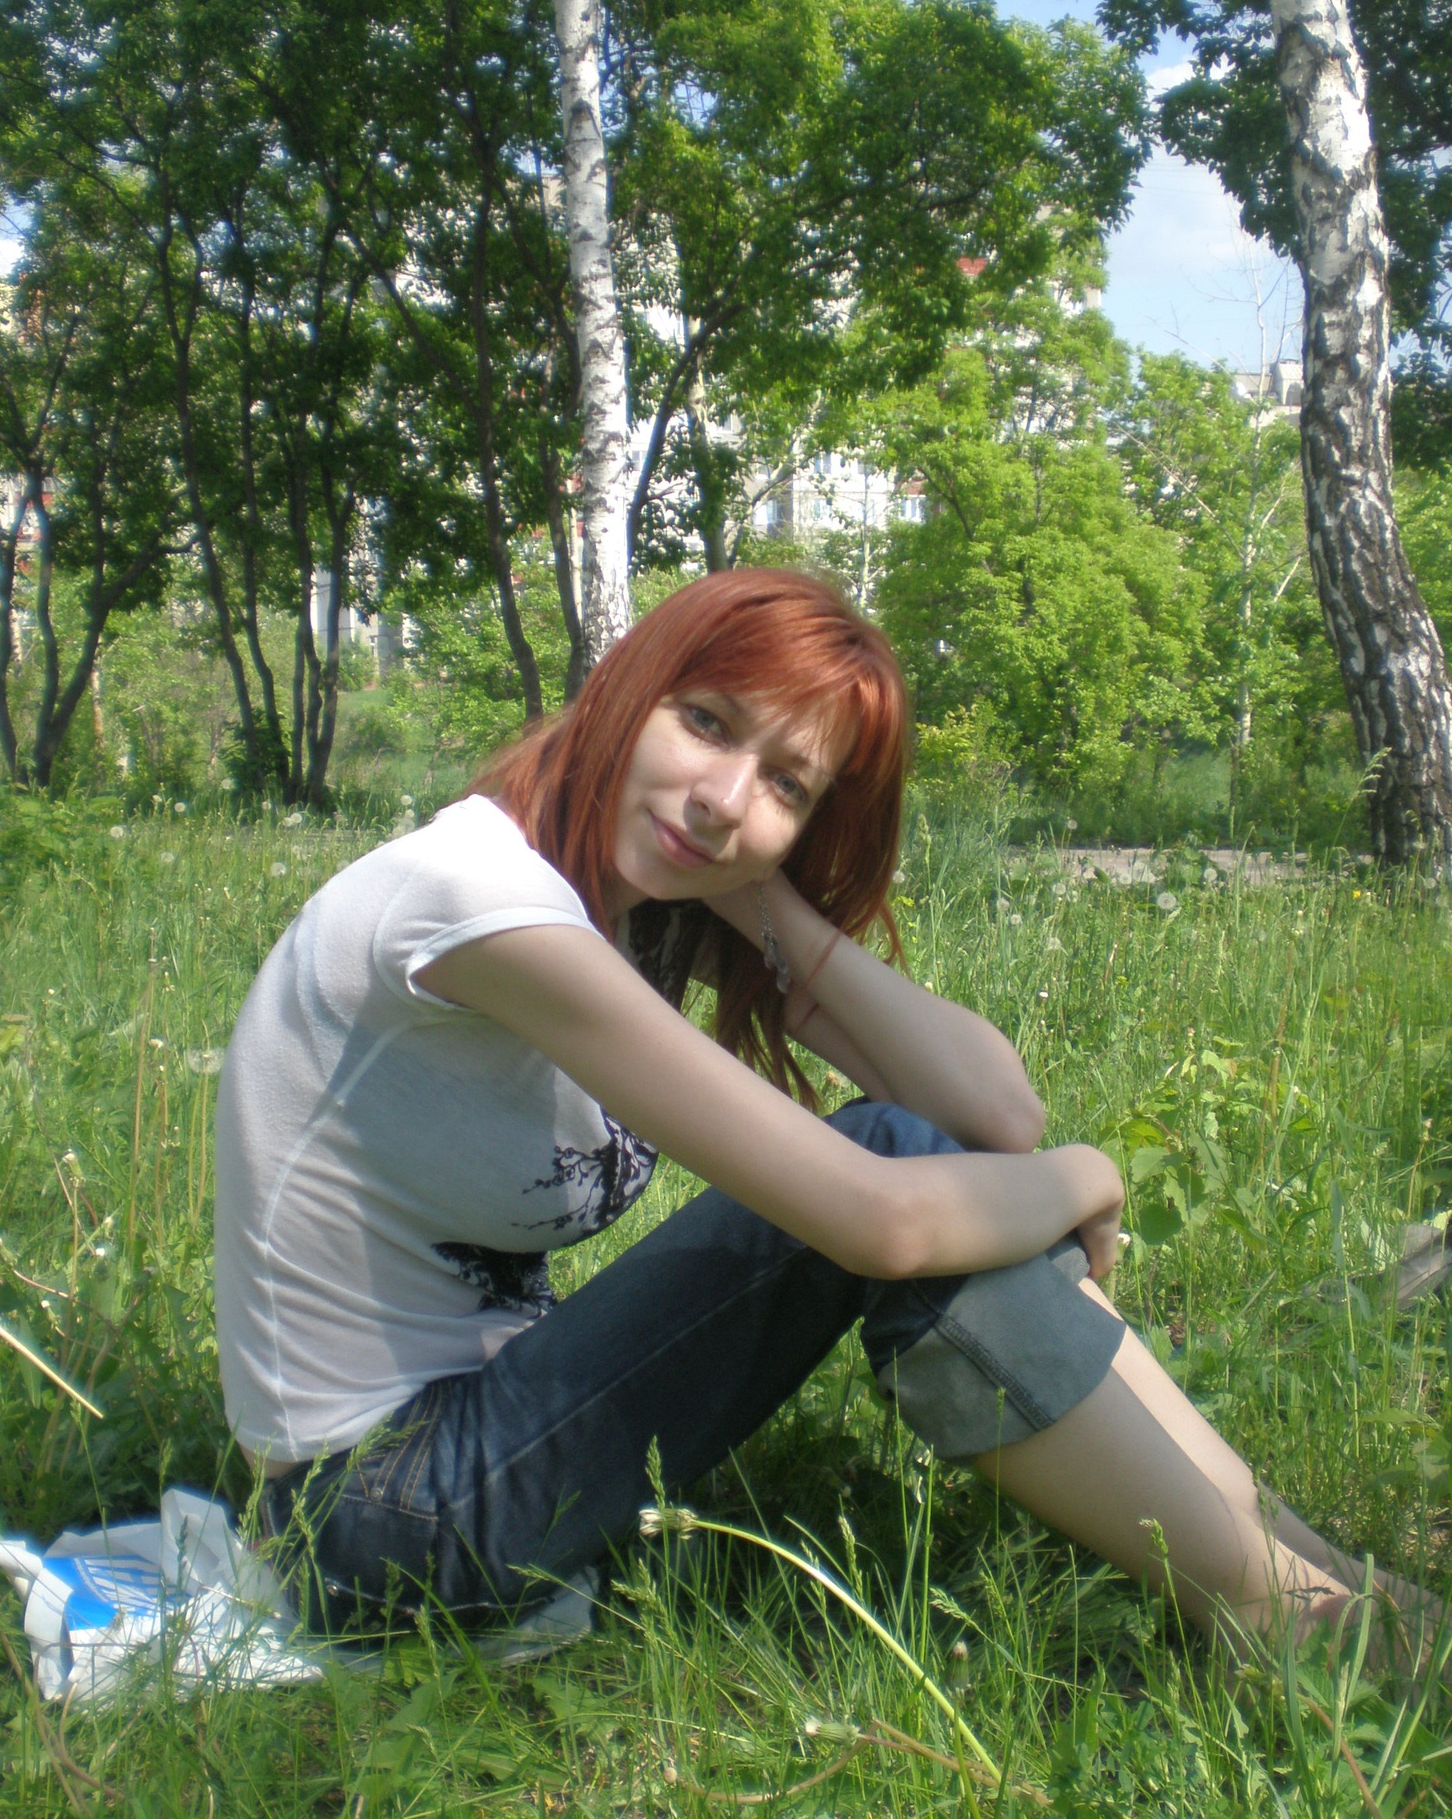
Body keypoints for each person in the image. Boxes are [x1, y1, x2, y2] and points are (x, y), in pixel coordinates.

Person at [215, 569, 1429, 1661]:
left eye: (786, 783)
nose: (723, 797)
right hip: (367, 1523)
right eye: (706, 722)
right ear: (629, 686)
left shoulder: (629, 901)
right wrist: (1092, 1174)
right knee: (895, 1167)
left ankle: (1289, 1561)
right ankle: (1279, 1615)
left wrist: (759, 897)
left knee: (934, 1160)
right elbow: (880, 1220)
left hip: (464, 1449)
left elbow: (996, 1110)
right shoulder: (477, 901)